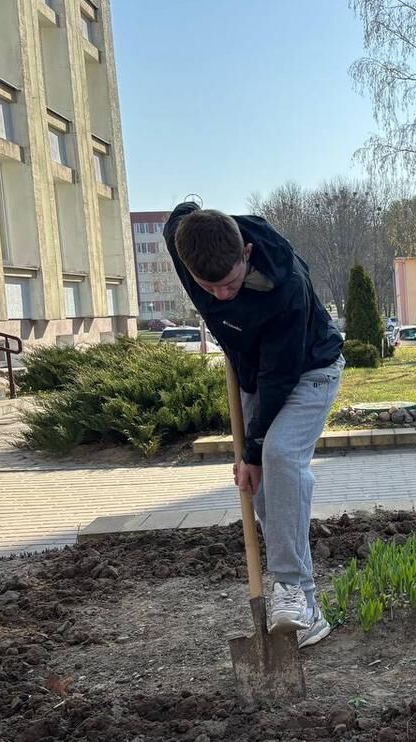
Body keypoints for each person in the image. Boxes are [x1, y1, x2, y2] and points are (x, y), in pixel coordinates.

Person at [164, 201, 344, 648]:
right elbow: (182, 213)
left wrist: (252, 449)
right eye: (210, 288)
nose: (222, 296)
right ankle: (308, 608)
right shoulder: (183, 241)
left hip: (307, 369)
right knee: (263, 491)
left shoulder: (287, 284)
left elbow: (279, 376)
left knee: (278, 456)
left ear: (246, 253)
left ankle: (289, 587)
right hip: (252, 374)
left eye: (229, 284)